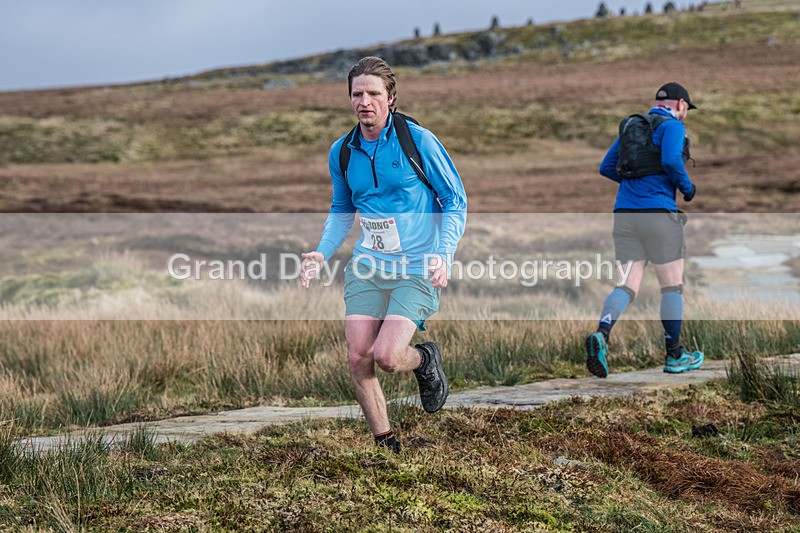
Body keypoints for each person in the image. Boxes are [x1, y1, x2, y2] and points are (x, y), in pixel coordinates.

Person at [300, 56, 467, 452]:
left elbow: (454, 200)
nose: (365, 102)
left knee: (388, 357)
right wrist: (321, 253)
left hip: (417, 266)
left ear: (390, 98)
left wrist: (444, 252)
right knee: (359, 356)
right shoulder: (342, 152)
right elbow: (342, 209)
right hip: (368, 267)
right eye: (357, 94)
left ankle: (423, 360)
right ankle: (385, 442)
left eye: (373, 93)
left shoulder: (418, 141)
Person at [585, 82, 703, 377]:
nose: (686, 112)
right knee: (672, 287)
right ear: (681, 104)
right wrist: (687, 188)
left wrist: (636, 184)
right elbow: (671, 160)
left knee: (626, 286)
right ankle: (675, 355)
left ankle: (602, 333)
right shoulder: (673, 126)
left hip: (625, 215)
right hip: (659, 215)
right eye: (687, 108)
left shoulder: (631, 127)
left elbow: (606, 167)